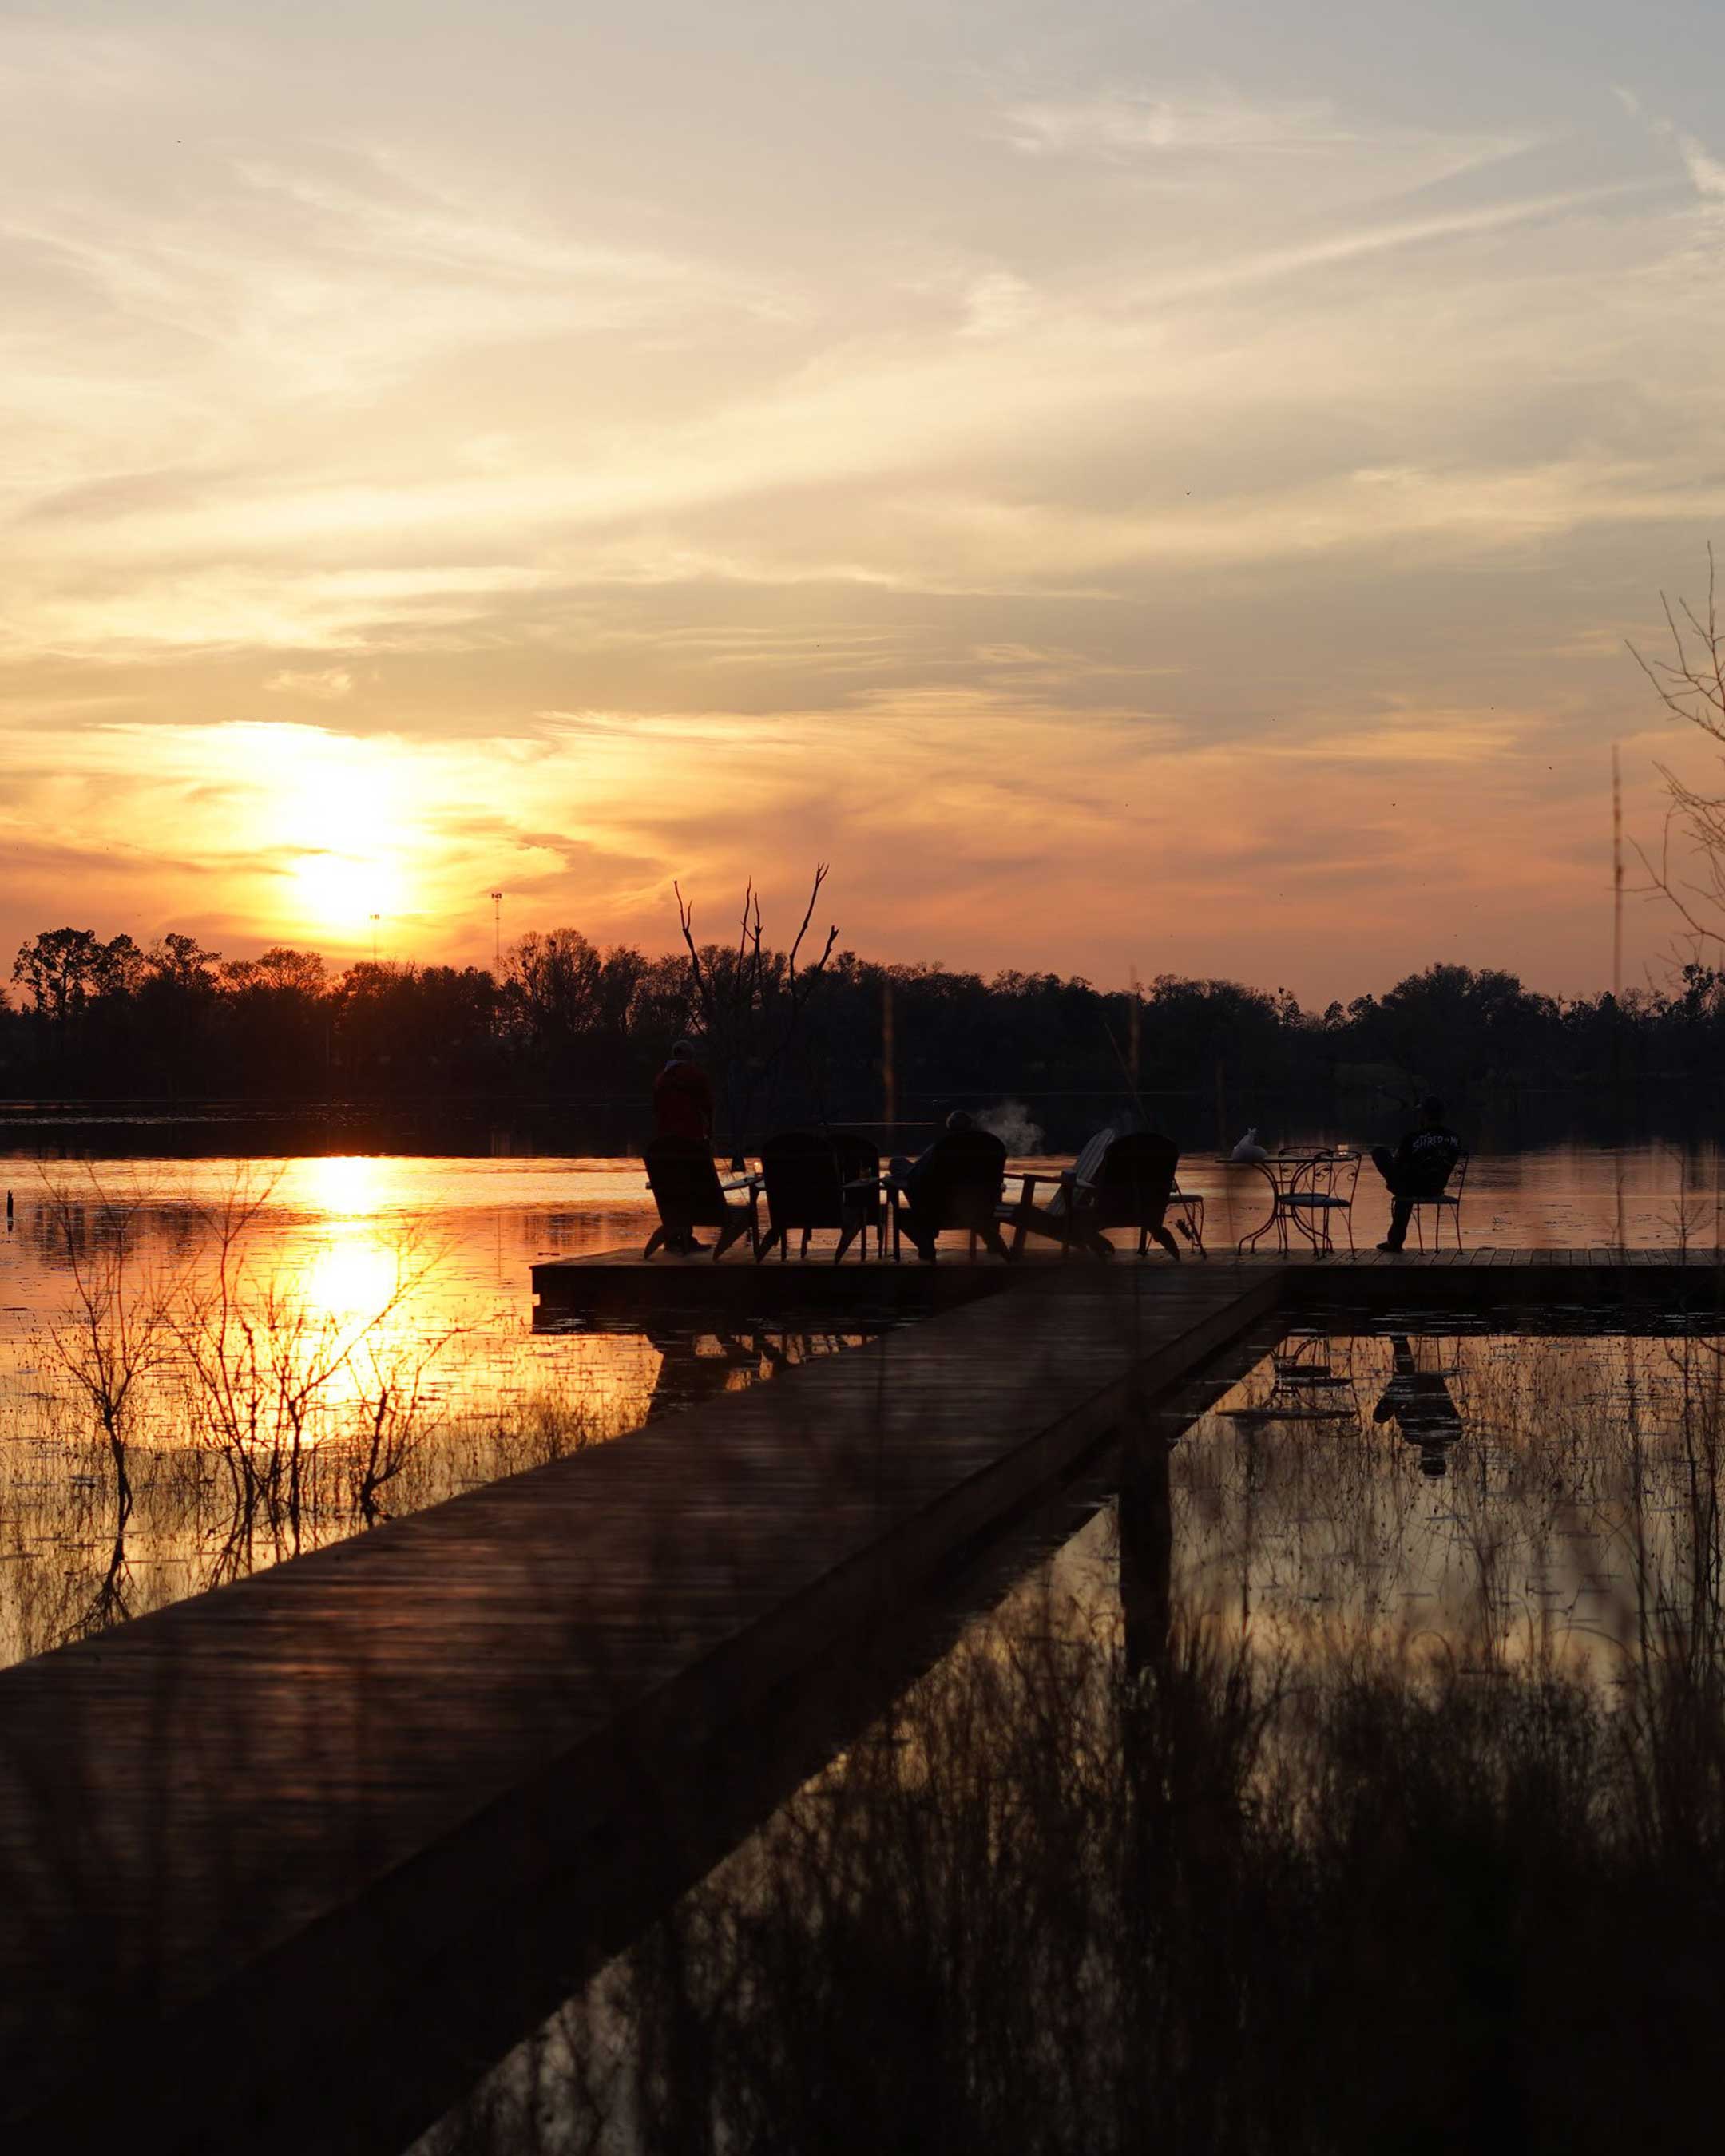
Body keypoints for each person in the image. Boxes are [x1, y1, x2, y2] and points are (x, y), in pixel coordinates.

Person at [1370, 1096, 1461, 1252]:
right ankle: (1395, 1241)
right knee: (1408, 1184)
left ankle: (1395, 1242)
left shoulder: (1412, 1138)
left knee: (1379, 1152)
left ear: (1424, 1115)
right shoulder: (1455, 1138)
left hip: (1410, 1187)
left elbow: (1399, 1164)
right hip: (1436, 1189)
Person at [652, 1038, 714, 1252]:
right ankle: (684, 1235)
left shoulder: (660, 1079)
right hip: (690, 1143)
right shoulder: (696, 1076)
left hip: (664, 1147)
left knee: (673, 1187)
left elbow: (656, 1109)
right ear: (690, 1057)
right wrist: (709, 1132)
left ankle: (676, 1235)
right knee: (691, 1185)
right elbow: (708, 1105)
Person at [1372, 1334, 1463, 1477]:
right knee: (1404, 1381)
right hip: (1427, 1384)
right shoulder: (1449, 1433)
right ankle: (1399, 1340)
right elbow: (1402, 1414)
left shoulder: (1453, 1434)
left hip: (1423, 1385)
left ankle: (1400, 1340)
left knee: (1382, 1415)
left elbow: (1401, 1414)